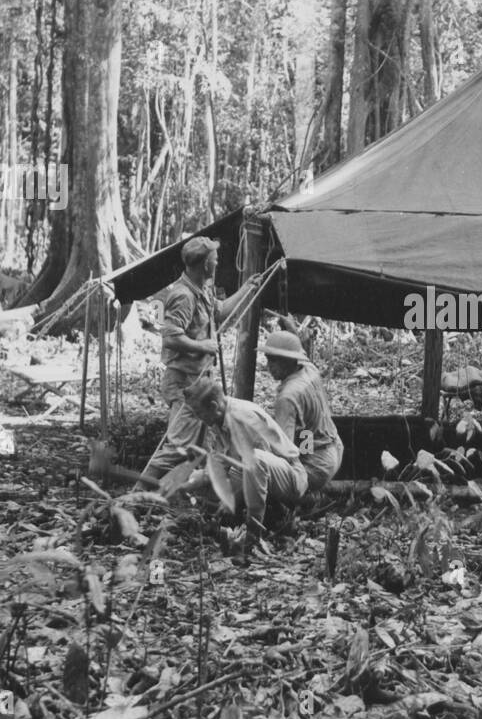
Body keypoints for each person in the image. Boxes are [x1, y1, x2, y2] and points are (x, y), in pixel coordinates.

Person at [141, 236, 250, 483]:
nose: (218, 262)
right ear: (205, 265)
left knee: (202, 446)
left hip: (199, 383)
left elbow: (219, 312)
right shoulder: (183, 296)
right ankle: (136, 496)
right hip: (185, 384)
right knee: (177, 447)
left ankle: (182, 497)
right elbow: (170, 337)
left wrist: (247, 289)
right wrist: (203, 345)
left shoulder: (203, 290)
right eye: (215, 259)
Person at [178, 376, 308, 561]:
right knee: (207, 484)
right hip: (253, 473)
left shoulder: (244, 418)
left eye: (199, 412)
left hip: (289, 476)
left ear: (214, 406)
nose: (198, 418)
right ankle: (231, 521)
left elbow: (258, 469)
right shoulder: (219, 419)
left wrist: (233, 498)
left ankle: (254, 536)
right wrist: (191, 481)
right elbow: (220, 463)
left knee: (253, 461)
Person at [261, 330, 343, 492]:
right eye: (268, 359)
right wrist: (290, 329)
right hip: (332, 449)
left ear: (289, 360)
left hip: (316, 465)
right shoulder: (309, 368)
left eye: (273, 361)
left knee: (257, 470)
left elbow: (283, 450)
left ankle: (297, 501)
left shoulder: (287, 397)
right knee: (304, 432)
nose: (268, 367)